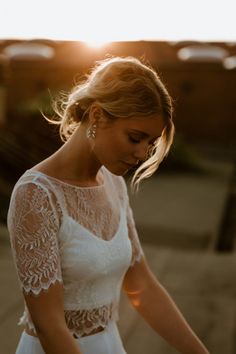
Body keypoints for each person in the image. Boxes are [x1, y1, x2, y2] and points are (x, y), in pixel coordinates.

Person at [7, 56, 210, 354]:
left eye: (150, 144)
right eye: (135, 138)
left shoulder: (114, 184)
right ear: (99, 116)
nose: (142, 153)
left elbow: (142, 286)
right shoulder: (36, 195)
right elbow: (50, 325)